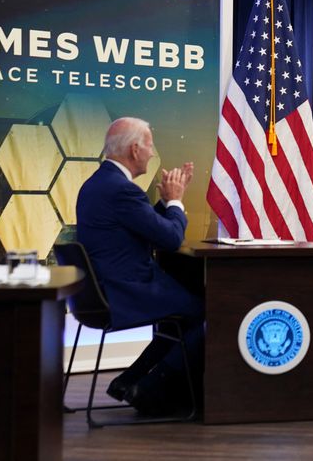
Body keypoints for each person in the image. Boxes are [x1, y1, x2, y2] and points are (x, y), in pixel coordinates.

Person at [76, 117, 201, 416]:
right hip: (125, 290)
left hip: (101, 291)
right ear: (134, 149)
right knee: (208, 312)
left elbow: (140, 226)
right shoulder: (122, 190)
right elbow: (170, 239)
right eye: (150, 145)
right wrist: (175, 204)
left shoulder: (99, 184)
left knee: (183, 313)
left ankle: (129, 380)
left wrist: (165, 203)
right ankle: (148, 389)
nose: (152, 152)